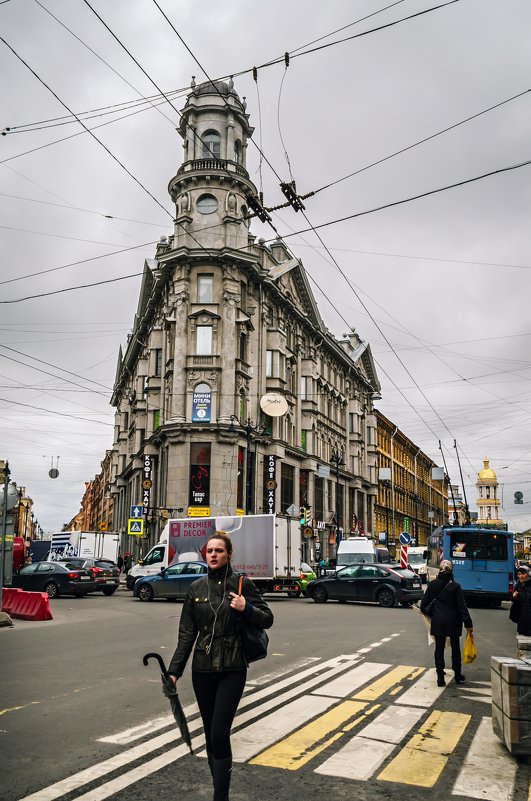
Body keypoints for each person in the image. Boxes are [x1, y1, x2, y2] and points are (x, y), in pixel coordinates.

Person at [168, 531, 273, 801]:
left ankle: (220, 796)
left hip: (232, 666)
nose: (213, 555)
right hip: (202, 669)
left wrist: (246, 607)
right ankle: (219, 785)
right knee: (209, 733)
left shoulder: (242, 584)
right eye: (210, 551)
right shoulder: (196, 589)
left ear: (229, 555)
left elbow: (267, 619)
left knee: (219, 731)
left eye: (219, 551)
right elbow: (186, 634)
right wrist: (174, 671)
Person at [420, 559, 473, 687]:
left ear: (440, 569)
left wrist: (433, 614)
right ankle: (458, 674)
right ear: (451, 570)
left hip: (438, 621)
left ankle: (440, 677)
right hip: (454, 621)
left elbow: (423, 606)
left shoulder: (432, 585)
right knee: (455, 647)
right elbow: (462, 607)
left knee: (439, 648)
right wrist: (468, 623)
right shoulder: (455, 586)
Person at [510, 564, 531, 635]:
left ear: (529, 574)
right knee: (522, 637)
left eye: (523, 574)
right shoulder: (518, 586)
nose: (521, 576)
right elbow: (514, 602)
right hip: (522, 619)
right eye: (519, 574)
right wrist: (514, 597)